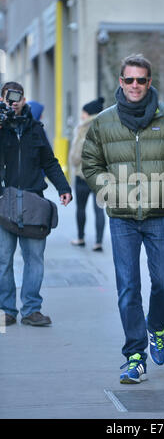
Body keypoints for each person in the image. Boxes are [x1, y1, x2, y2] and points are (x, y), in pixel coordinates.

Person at [82, 54, 164, 383]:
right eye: (129, 80)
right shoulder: (103, 122)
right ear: (121, 82)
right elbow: (90, 164)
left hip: (160, 215)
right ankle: (135, 355)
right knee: (128, 287)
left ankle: (156, 327)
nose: (135, 86)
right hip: (121, 218)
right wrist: (114, 193)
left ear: (150, 82)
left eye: (141, 80)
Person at [0, 81, 72, 327]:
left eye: (17, 98)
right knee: (3, 259)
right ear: (1, 99)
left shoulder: (35, 128)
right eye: (9, 98)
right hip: (3, 202)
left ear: (24, 100)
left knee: (34, 259)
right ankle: (6, 310)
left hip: (33, 201)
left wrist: (63, 188)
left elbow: (49, 161)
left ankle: (31, 309)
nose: (13, 102)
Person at [69, 98, 105, 251]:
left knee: (81, 208)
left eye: (83, 112)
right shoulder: (106, 126)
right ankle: (98, 242)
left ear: (89, 113)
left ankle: (80, 238)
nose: (82, 115)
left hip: (83, 176)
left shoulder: (83, 129)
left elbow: (76, 156)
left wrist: (74, 162)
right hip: (101, 177)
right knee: (99, 209)